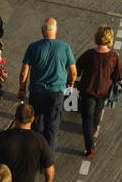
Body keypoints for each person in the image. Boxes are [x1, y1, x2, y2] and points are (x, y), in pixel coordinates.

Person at [18, 17, 77, 153]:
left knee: (36, 125)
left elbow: (23, 72)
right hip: (56, 94)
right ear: (56, 30)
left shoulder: (33, 47)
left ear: (42, 30)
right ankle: (47, 158)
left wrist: (22, 89)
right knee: (52, 127)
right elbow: (73, 72)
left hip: (36, 93)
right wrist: (70, 84)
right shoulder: (65, 47)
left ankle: (35, 151)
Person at [74, 24, 122, 157]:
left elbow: (77, 70)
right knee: (98, 111)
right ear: (110, 39)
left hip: (88, 91)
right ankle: (94, 129)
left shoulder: (89, 54)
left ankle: (89, 147)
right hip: (104, 91)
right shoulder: (114, 57)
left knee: (87, 118)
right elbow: (119, 75)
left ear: (96, 37)